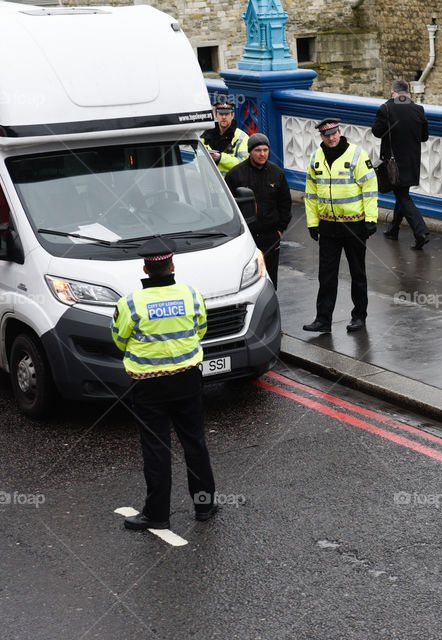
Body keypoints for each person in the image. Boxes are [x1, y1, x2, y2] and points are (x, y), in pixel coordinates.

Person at [111, 238, 218, 530]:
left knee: (156, 448)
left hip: (149, 386)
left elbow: (119, 340)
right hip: (187, 379)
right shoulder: (191, 295)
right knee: (194, 442)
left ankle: (157, 515)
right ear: (172, 266)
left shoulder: (130, 303)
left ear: (145, 268)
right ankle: (205, 506)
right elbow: (201, 329)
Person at [302, 117, 379, 334]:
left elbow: (370, 188)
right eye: (327, 135)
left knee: (357, 273)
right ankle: (323, 320)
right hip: (327, 226)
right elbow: (310, 193)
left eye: (334, 133)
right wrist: (312, 223)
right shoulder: (316, 157)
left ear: (340, 132)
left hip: (354, 226)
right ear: (321, 136)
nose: (331, 137)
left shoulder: (356, 154)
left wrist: (371, 219)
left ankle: (359, 316)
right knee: (326, 275)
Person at [224, 133, 292, 288]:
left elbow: (285, 203)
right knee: (245, 276)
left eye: (265, 150)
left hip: (270, 235)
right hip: (246, 236)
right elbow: (228, 206)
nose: (262, 154)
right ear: (250, 151)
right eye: (258, 150)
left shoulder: (277, 173)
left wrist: (280, 229)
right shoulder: (235, 174)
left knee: (270, 277)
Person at [371, 79, 430, 250]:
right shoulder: (419, 109)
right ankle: (393, 230)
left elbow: (376, 132)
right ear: (408, 94)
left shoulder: (386, 108)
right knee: (401, 195)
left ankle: (421, 232)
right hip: (412, 161)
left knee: (403, 197)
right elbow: (424, 137)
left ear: (394, 93)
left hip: (393, 163)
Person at [202, 97, 249, 174]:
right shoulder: (206, 136)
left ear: (232, 115)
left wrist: (221, 158)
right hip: (209, 184)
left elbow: (244, 165)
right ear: (216, 115)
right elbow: (197, 160)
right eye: (221, 114)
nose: (224, 117)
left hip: (232, 184)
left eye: (227, 114)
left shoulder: (242, 137)